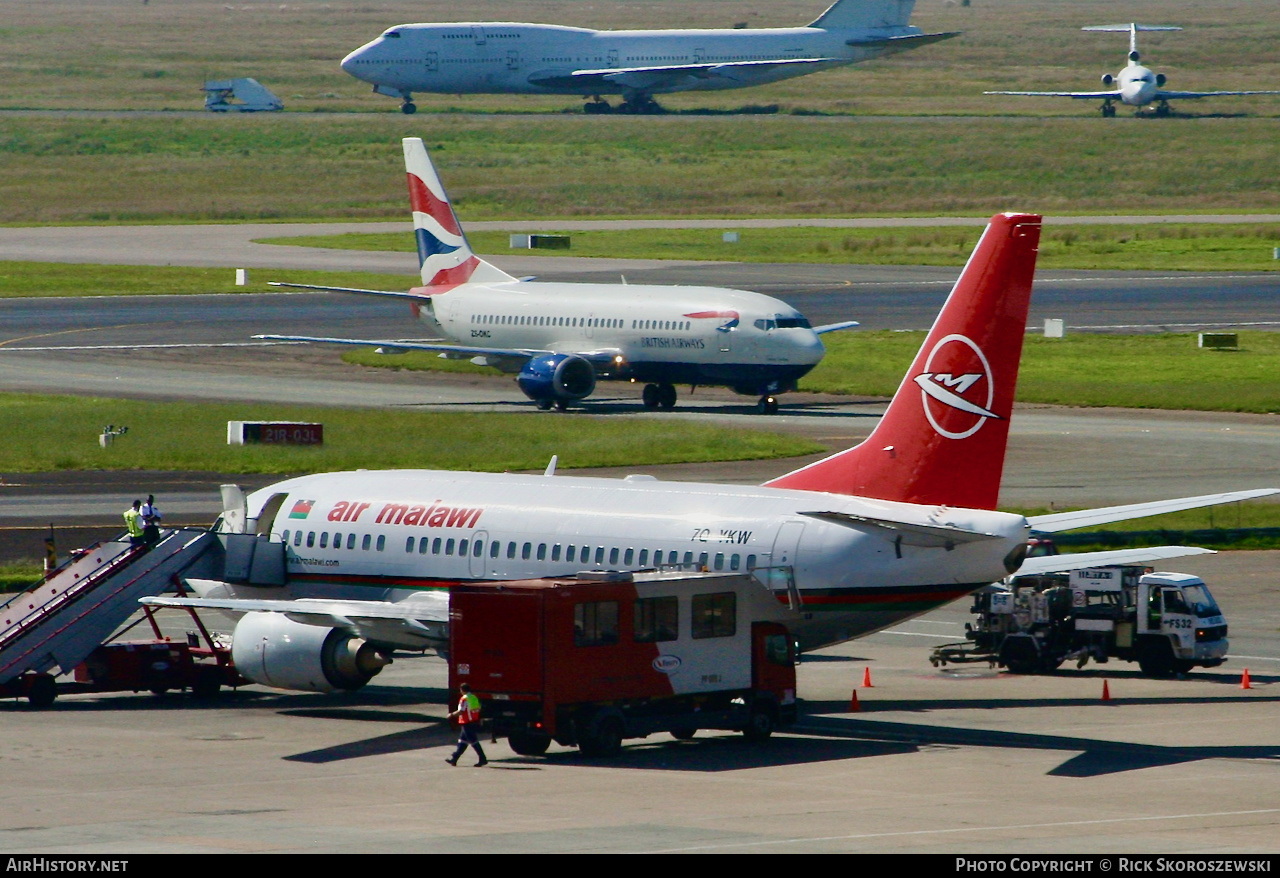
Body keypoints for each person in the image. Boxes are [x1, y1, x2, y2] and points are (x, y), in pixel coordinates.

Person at [445, 682, 488, 767]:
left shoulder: (464, 699)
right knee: (463, 741)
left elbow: (461, 711)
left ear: (462, 690)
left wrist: (451, 715)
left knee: (473, 741)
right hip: (473, 721)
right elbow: (478, 708)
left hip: (467, 722)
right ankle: (454, 759)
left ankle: (483, 758)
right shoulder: (473, 697)